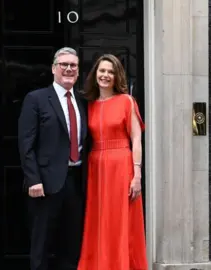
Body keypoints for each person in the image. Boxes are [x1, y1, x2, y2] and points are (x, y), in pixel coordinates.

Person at [18, 47, 87, 270]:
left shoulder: (83, 100)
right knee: (42, 245)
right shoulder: (36, 99)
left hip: (76, 182)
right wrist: (33, 179)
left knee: (71, 244)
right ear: (53, 69)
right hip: (45, 184)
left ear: (78, 71)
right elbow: (26, 144)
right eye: (63, 64)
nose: (68, 69)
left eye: (73, 65)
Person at [78, 54, 148, 270]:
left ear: (117, 76)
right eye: (102, 71)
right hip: (96, 166)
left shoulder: (127, 101)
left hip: (121, 164)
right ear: (95, 74)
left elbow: (136, 139)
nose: (106, 75)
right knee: (98, 220)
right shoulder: (88, 105)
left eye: (110, 71)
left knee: (120, 221)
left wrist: (137, 175)